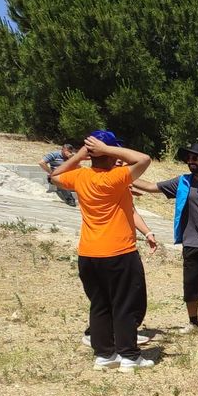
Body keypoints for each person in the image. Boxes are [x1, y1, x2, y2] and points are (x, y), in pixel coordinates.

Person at [49, 131, 156, 372]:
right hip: (119, 252)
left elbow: (54, 176)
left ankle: (105, 355)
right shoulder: (116, 177)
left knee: (99, 305)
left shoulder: (80, 176)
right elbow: (144, 159)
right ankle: (129, 356)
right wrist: (106, 149)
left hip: (88, 254)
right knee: (125, 304)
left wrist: (80, 155)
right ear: (106, 153)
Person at [131, 143, 198, 338]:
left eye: (195, 158)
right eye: (188, 158)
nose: (191, 161)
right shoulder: (182, 182)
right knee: (191, 285)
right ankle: (193, 322)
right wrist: (123, 176)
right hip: (192, 242)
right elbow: (150, 187)